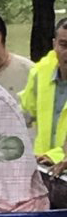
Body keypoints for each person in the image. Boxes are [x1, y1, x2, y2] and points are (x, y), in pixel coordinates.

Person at [20, 17, 67, 174]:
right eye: (64, 45)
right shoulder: (40, 73)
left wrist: (56, 155)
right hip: (41, 166)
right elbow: (23, 115)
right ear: (54, 44)